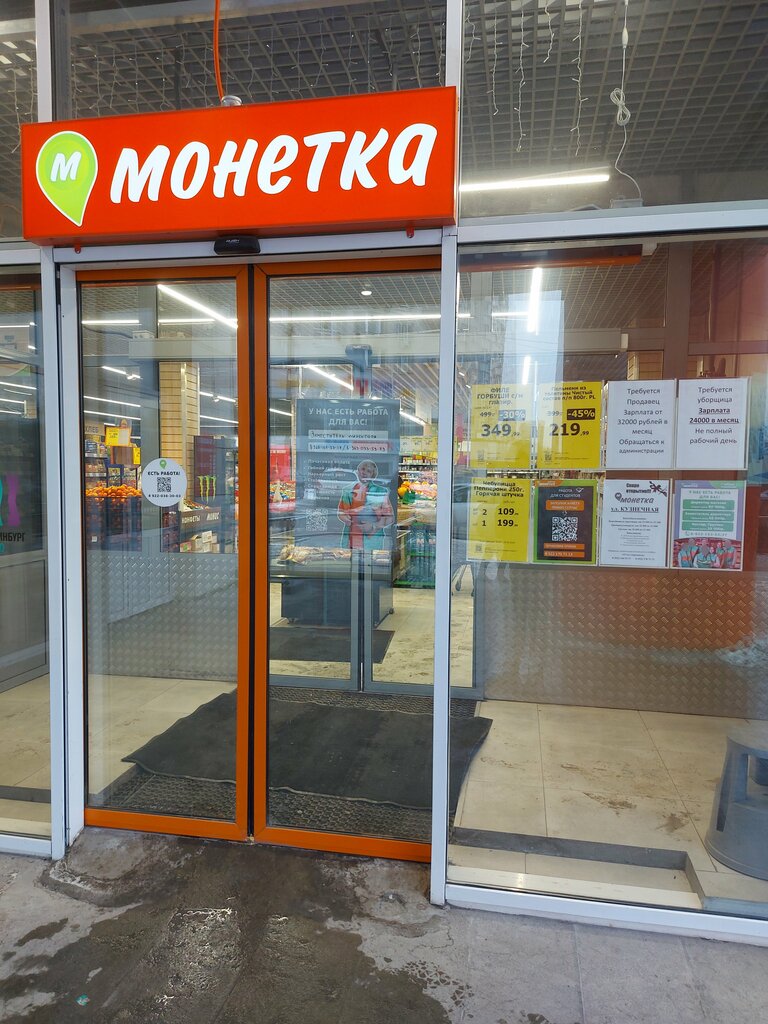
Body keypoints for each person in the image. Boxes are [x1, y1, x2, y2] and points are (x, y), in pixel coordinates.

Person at [337, 460, 394, 550]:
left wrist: (374, 526)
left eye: (369, 471)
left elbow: (389, 518)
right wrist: (346, 519)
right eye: (363, 469)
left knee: (370, 558)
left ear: (373, 475)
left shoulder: (381, 491)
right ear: (358, 471)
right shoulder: (347, 490)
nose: (364, 473)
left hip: (372, 540)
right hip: (352, 536)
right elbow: (341, 512)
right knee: (351, 557)